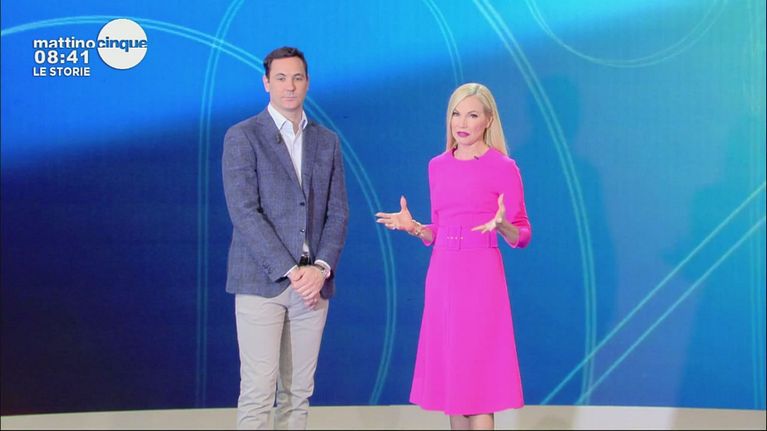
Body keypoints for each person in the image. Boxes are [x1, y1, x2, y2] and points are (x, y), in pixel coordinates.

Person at [375, 83, 531, 430]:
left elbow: (522, 234)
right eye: (456, 114)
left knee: (478, 384)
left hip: (482, 278)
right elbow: (440, 229)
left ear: (488, 120)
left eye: (472, 115)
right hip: (444, 275)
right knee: (454, 379)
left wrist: (503, 226)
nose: (462, 123)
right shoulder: (437, 166)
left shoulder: (503, 167)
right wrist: (414, 227)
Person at [222, 46, 349, 430]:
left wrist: (320, 269)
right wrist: (293, 271)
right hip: (262, 282)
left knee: (298, 394)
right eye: (280, 78)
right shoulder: (243, 136)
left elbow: (337, 212)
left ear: (307, 82)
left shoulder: (327, 141)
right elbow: (245, 212)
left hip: (313, 287)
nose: (289, 86)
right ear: (266, 83)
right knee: (258, 392)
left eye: (296, 78)